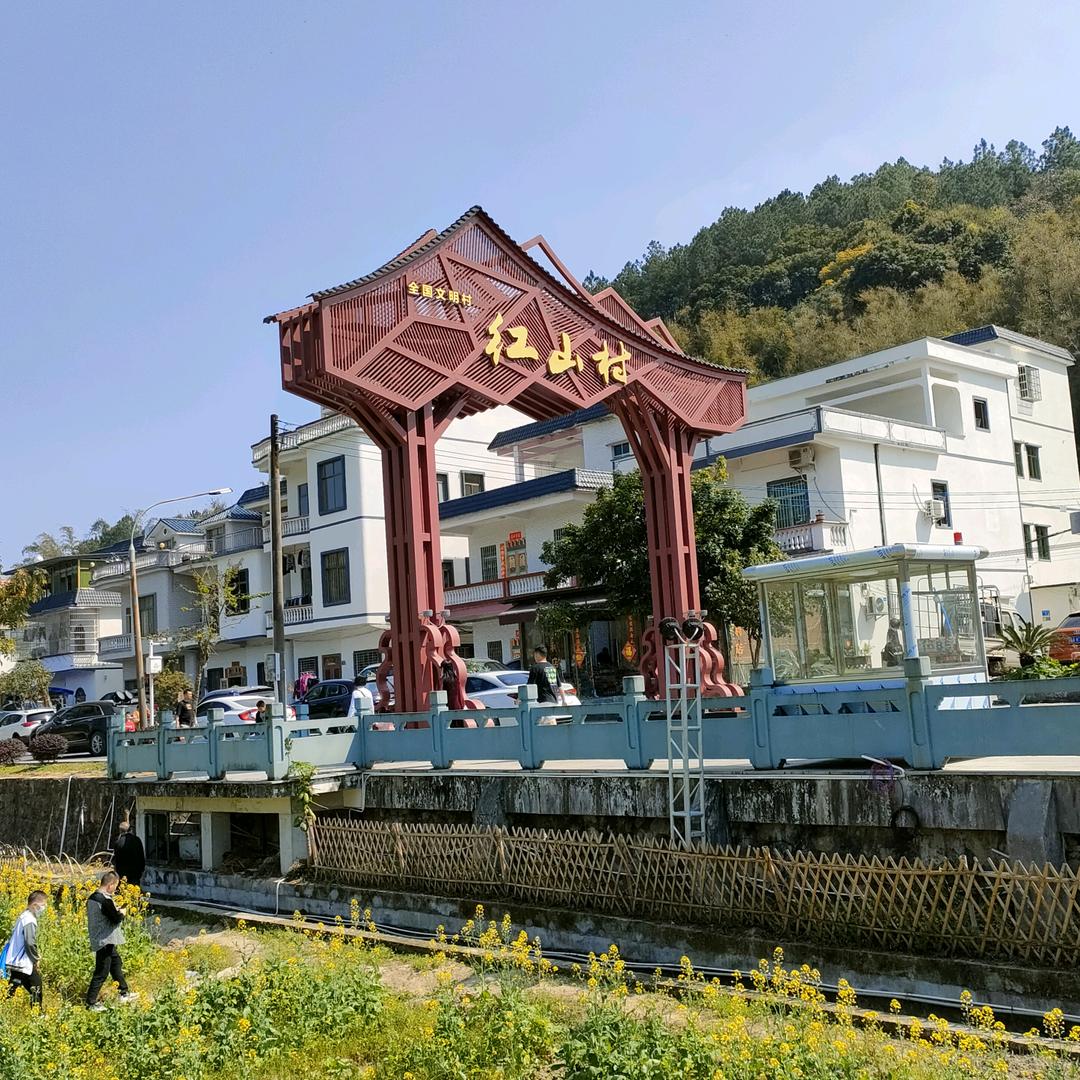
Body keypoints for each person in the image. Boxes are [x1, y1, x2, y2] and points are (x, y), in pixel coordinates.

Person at [85, 870, 137, 1010]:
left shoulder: (92, 897)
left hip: (100, 938)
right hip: (104, 940)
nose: (116, 889)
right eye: (116, 885)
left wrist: (115, 910)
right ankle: (90, 1003)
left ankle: (123, 992)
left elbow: (105, 915)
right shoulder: (105, 900)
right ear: (110, 885)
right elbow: (115, 919)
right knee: (101, 972)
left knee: (116, 963)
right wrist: (122, 913)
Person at [5, 890, 47, 1006]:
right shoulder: (29, 920)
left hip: (15, 960)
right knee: (36, 987)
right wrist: (35, 958)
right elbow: (29, 942)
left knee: (13, 986)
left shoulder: (24, 915)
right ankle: (37, 1015)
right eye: (43, 905)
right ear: (35, 905)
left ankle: (4, 1006)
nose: (45, 907)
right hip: (22, 961)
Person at [111, 821, 146, 889]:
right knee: (134, 893)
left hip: (122, 872)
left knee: (123, 893)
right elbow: (141, 856)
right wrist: (142, 869)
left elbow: (116, 859)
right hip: (135, 872)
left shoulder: (117, 841)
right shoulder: (137, 840)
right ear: (130, 830)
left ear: (120, 830)